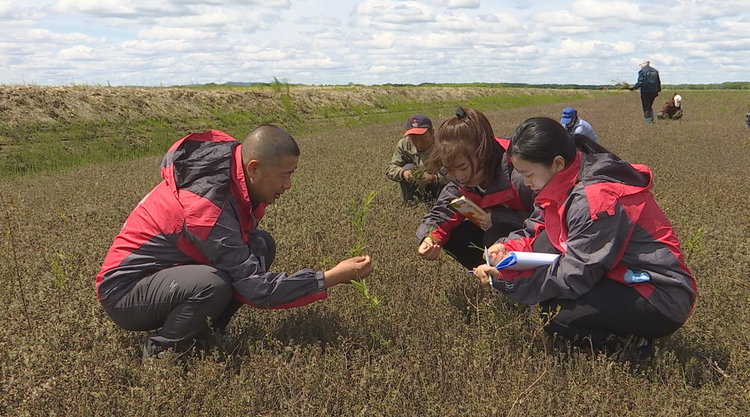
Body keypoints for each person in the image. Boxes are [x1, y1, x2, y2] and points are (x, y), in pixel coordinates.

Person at [96, 125, 374, 359]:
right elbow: (257, 290)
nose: (288, 185)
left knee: (261, 244)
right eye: (284, 175)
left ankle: (207, 334)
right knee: (212, 283)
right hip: (125, 293)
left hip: (166, 275)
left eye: (292, 174)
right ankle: (162, 352)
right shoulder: (208, 206)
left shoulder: (231, 172)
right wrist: (329, 278)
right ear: (253, 168)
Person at [472, 117, 697, 357]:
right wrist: (507, 248)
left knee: (555, 314)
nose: (526, 184)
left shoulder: (595, 199)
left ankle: (634, 349)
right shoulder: (563, 180)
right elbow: (535, 228)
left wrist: (511, 283)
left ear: (557, 163)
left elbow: (577, 273)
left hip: (659, 295)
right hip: (620, 275)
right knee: (546, 243)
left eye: (528, 174)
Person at [416, 107, 535, 270]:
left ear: (483, 151)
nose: (459, 176)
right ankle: (490, 274)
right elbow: (442, 214)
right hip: (506, 237)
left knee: (494, 234)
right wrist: (430, 238)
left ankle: (519, 281)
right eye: (449, 169)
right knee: (456, 234)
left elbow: (546, 219)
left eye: (463, 167)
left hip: (536, 241)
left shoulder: (521, 173)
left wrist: (498, 218)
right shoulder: (460, 181)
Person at [385, 113, 448, 203]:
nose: (418, 143)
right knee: (408, 167)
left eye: (422, 138)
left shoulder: (443, 146)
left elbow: (455, 174)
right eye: (414, 139)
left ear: (432, 133)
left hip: (439, 187)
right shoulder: (404, 144)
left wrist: (433, 178)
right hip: (415, 186)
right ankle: (411, 204)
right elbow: (390, 168)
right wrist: (403, 173)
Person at [629, 59, 662, 123]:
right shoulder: (655, 71)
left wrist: (634, 87)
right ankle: (652, 120)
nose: (640, 66)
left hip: (645, 92)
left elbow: (640, 82)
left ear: (643, 64)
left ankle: (649, 123)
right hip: (654, 91)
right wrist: (658, 90)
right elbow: (658, 81)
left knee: (646, 107)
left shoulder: (642, 71)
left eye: (641, 65)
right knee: (649, 106)